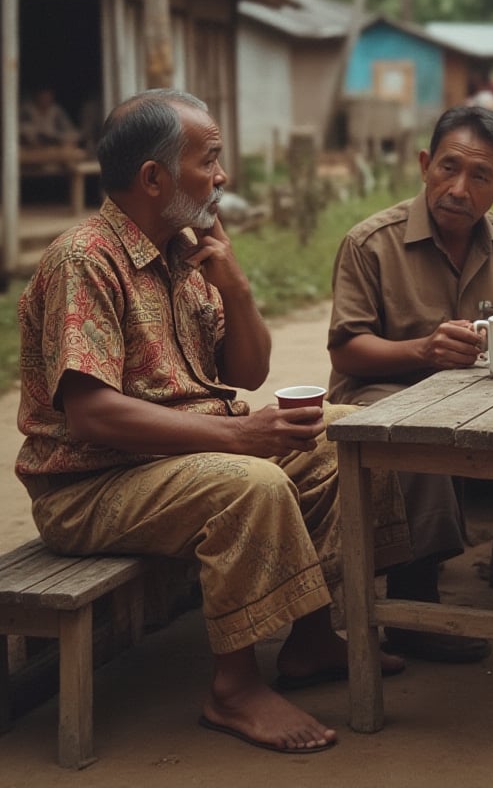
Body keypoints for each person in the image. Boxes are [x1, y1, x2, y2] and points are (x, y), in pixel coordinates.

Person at [15, 89, 412, 755]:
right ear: (154, 178)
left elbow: (249, 373)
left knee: (343, 437)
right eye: (211, 160)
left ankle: (312, 638)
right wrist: (237, 435)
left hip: (175, 462)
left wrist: (236, 285)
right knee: (247, 484)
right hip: (90, 486)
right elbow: (90, 413)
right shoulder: (84, 259)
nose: (223, 177)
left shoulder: (185, 251)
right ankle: (232, 688)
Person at [327, 105, 493, 631]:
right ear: (423, 164)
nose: (458, 188)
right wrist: (421, 351)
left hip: (482, 396)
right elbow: (347, 350)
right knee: (413, 427)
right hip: (380, 390)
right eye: (448, 167)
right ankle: (416, 599)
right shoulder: (371, 242)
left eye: (480, 175)